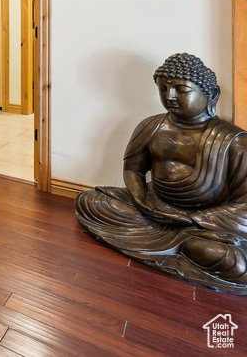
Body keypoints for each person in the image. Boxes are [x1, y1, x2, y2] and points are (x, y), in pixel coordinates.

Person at [75, 53, 247, 293]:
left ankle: (182, 244)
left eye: (181, 90)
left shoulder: (235, 141)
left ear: (211, 94)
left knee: (234, 263)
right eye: (163, 89)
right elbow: (133, 170)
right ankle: (175, 247)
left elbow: (244, 206)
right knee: (90, 201)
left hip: (200, 223)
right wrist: (141, 200)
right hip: (151, 208)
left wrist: (190, 219)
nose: (170, 96)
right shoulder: (151, 125)